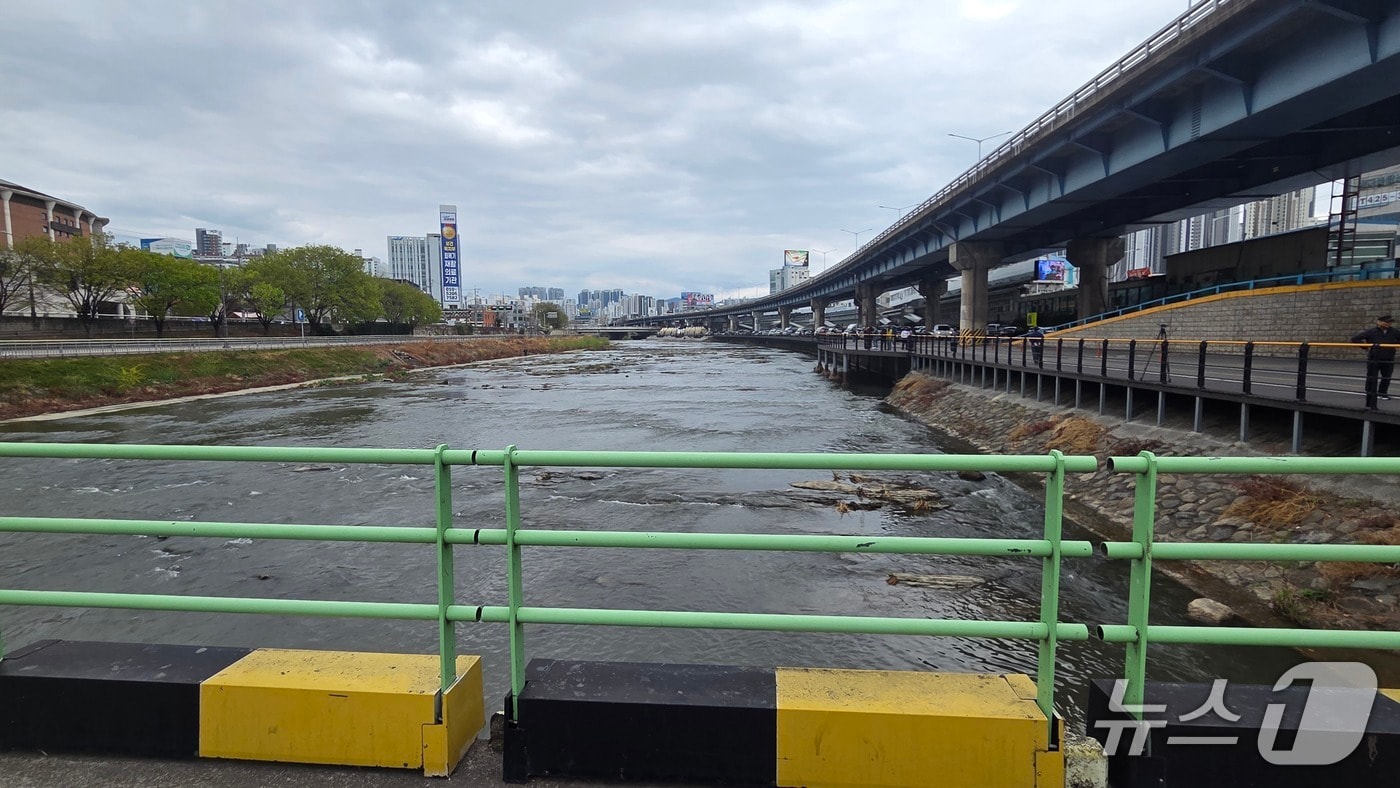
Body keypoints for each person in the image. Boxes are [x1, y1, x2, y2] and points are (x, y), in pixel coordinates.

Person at [1351, 314, 1400, 400]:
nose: (1388, 324)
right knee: (1372, 376)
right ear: (1379, 322)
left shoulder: (1394, 332)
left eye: (1390, 322)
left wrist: (1394, 344)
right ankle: (1369, 392)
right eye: (1386, 322)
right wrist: (1366, 346)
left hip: (1388, 357)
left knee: (1386, 376)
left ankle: (1382, 393)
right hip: (1374, 357)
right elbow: (1355, 339)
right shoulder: (1371, 331)